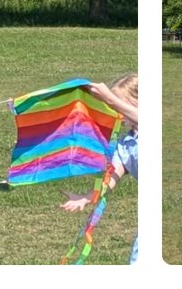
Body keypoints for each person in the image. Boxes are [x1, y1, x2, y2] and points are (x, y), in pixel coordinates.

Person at [60, 75, 139, 263]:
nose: (114, 109)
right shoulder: (126, 143)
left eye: (119, 103)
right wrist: (86, 198)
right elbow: (112, 176)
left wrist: (109, 98)